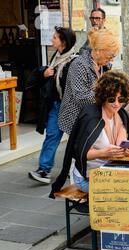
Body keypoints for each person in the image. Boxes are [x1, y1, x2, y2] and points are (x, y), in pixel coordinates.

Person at [50, 71, 129, 197]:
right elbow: (80, 153)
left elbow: (121, 144)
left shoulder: (121, 115)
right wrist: (104, 153)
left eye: (121, 99)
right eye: (112, 99)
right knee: (126, 192)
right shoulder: (91, 117)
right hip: (86, 177)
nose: (116, 103)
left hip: (109, 172)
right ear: (103, 96)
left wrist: (125, 150)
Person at [28, 27, 77, 184]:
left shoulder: (74, 60)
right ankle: (44, 170)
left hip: (71, 106)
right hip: (56, 105)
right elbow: (49, 79)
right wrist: (45, 74)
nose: (52, 40)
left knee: (75, 139)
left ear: (63, 42)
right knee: (52, 135)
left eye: (55, 38)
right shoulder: (56, 57)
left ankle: (75, 169)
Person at [58, 28, 119, 135]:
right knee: (82, 151)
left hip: (92, 117)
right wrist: (107, 95)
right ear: (99, 50)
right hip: (77, 120)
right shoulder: (80, 65)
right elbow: (81, 97)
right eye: (110, 55)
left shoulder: (104, 65)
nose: (112, 59)